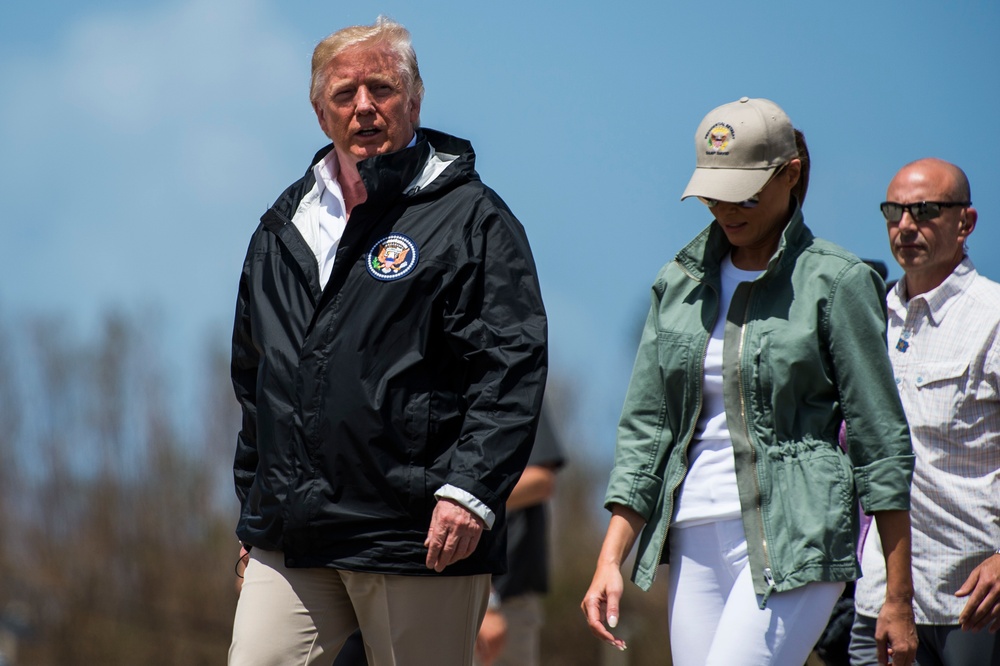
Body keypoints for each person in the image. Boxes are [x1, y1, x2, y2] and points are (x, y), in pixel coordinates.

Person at [228, 17, 547, 666]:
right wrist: (256, 502)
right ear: (321, 112)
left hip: (418, 537)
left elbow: (510, 367)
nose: (365, 107)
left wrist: (471, 493)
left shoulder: (473, 218)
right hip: (295, 534)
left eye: (382, 88)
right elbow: (256, 380)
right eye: (346, 94)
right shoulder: (282, 226)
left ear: (416, 98)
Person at [580, 97, 918, 666]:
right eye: (713, 191)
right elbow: (647, 429)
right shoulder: (678, 283)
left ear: (791, 175)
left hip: (801, 532)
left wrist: (898, 596)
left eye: (745, 191)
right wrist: (610, 556)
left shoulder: (838, 281)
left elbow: (880, 440)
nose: (726, 207)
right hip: (692, 531)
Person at [850, 158, 1000, 665]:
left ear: (967, 222)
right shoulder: (865, 319)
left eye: (926, 210)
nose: (906, 225)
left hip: (975, 604)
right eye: (894, 211)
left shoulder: (994, 318)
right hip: (879, 602)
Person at [474, 402, 565, 666]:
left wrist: (467, 500)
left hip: (511, 596)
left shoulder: (520, 386)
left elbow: (541, 479)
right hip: (447, 592)